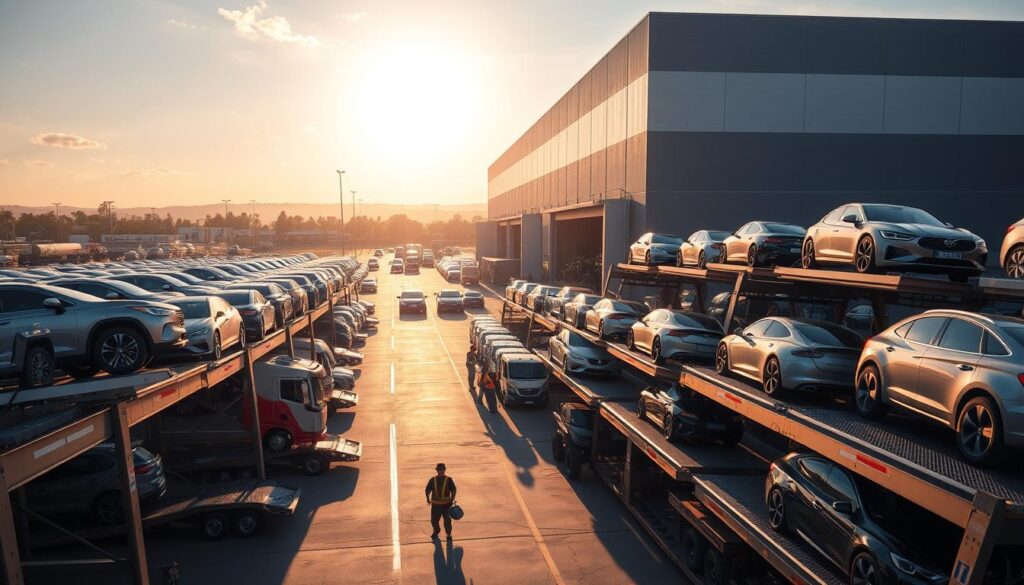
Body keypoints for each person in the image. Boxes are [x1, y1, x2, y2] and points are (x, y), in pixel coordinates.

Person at [425, 463, 457, 540]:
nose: (441, 471)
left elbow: (453, 490)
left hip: (446, 505)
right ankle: (436, 531)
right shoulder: (432, 480)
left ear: (444, 470)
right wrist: (427, 497)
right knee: (434, 521)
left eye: (442, 469)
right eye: (439, 470)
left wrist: (452, 500)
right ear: (437, 471)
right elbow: (427, 489)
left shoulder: (449, 480)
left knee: (447, 522)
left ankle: (448, 534)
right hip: (436, 505)